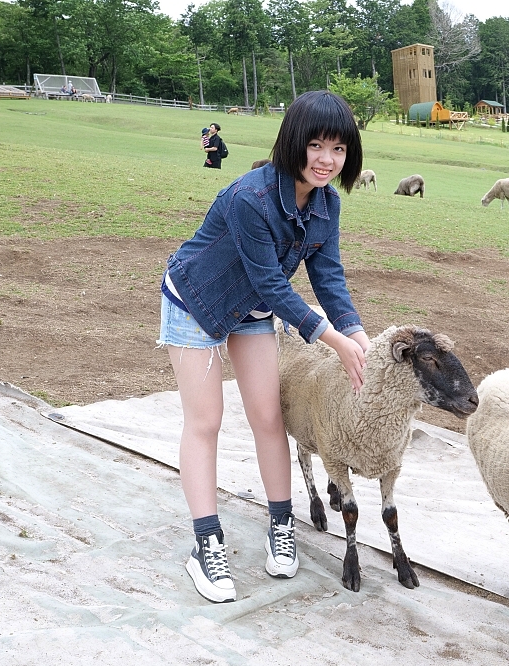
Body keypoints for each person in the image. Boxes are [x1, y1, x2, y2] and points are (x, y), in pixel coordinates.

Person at [159, 90, 368, 604]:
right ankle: (206, 545)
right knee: (205, 420)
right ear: (293, 142)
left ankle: (281, 526)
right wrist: (331, 340)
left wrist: (354, 328)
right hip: (198, 302)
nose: (326, 159)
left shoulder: (326, 204)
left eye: (338, 149)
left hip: (250, 310)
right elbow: (273, 283)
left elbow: (327, 272)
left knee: (268, 417)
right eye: (316, 145)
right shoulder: (249, 198)